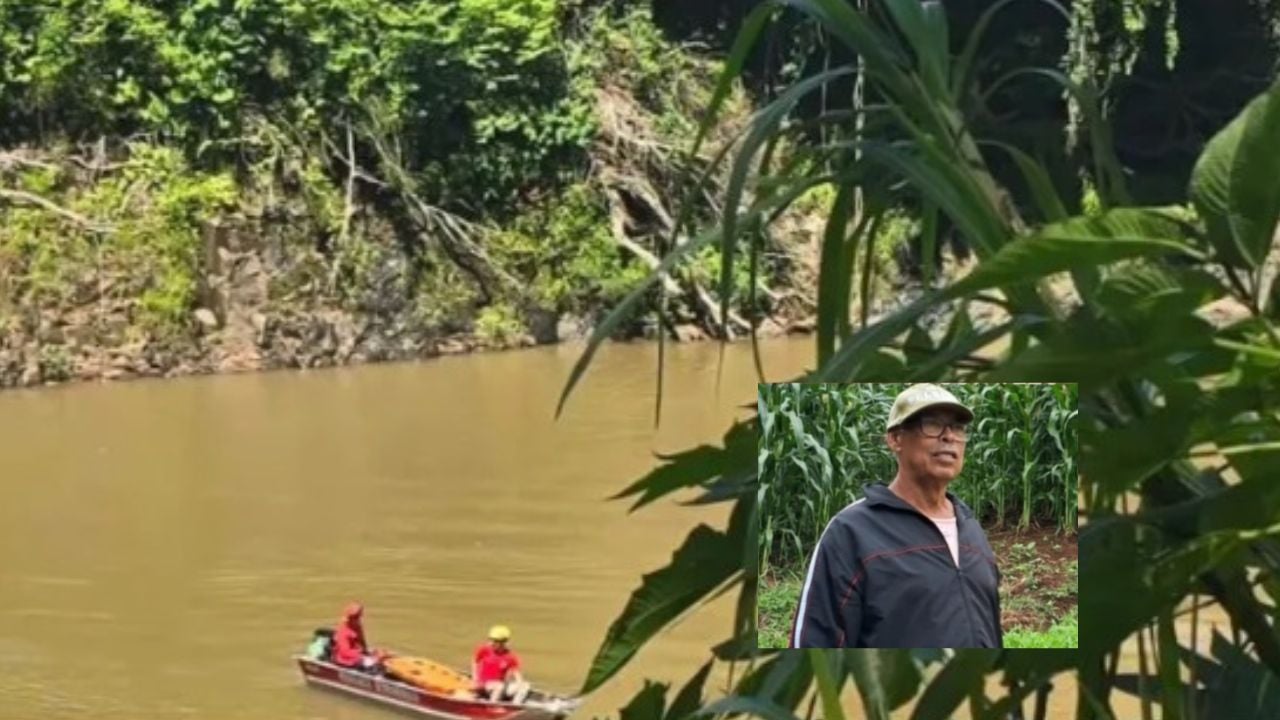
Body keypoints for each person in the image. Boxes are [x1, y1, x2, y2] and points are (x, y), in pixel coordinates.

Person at [789, 383, 1003, 648]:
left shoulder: (970, 528)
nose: (949, 437)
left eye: (958, 428)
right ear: (895, 439)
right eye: (932, 424)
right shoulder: (852, 532)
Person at [472, 625, 530, 703]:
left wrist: (520, 684)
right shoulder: (484, 650)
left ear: (503, 642)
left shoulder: (510, 656)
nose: (491, 643)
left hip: (501, 686)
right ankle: (491, 706)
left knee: (525, 686)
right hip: (484, 685)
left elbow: (517, 675)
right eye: (491, 640)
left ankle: (514, 706)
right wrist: (475, 679)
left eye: (494, 641)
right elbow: (475, 662)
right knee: (499, 686)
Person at [332, 602, 387, 671]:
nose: (359, 619)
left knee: (383, 656)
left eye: (359, 616)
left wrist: (370, 652)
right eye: (357, 617)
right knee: (373, 663)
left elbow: (362, 642)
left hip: (358, 654)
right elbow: (345, 652)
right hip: (346, 659)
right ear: (350, 618)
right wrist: (363, 657)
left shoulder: (358, 626)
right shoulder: (343, 631)